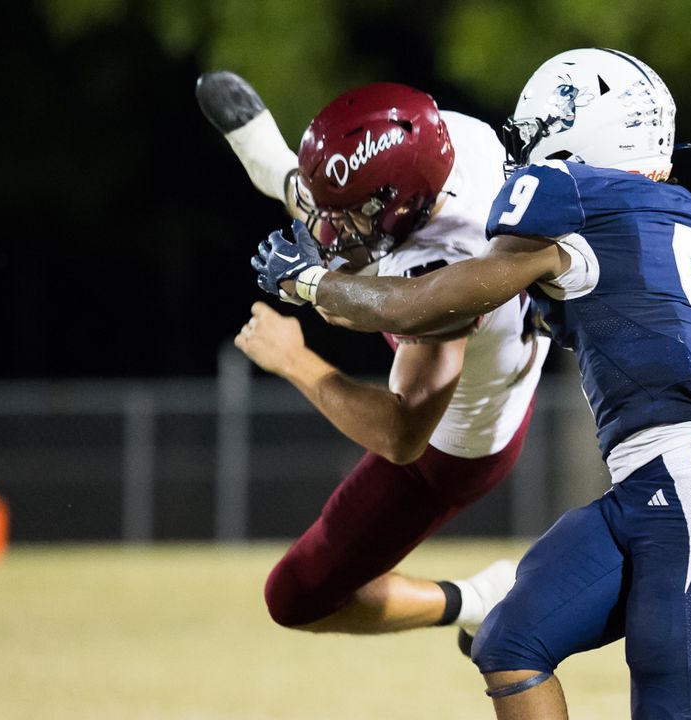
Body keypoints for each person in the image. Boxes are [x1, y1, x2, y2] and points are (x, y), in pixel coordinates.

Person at [247, 48, 691, 720]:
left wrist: (309, 283)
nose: (526, 155)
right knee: (509, 639)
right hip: (653, 487)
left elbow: (422, 301)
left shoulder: (573, 199)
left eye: (538, 134)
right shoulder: (662, 212)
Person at [196, 72, 549, 639]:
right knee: (342, 265)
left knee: (297, 597)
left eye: (351, 213)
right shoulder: (452, 144)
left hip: (449, 447)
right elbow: (349, 225)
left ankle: (481, 599)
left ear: (403, 205)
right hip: (498, 355)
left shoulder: (445, 267)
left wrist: (292, 357)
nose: (334, 226)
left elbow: (400, 436)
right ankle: (292, 181)